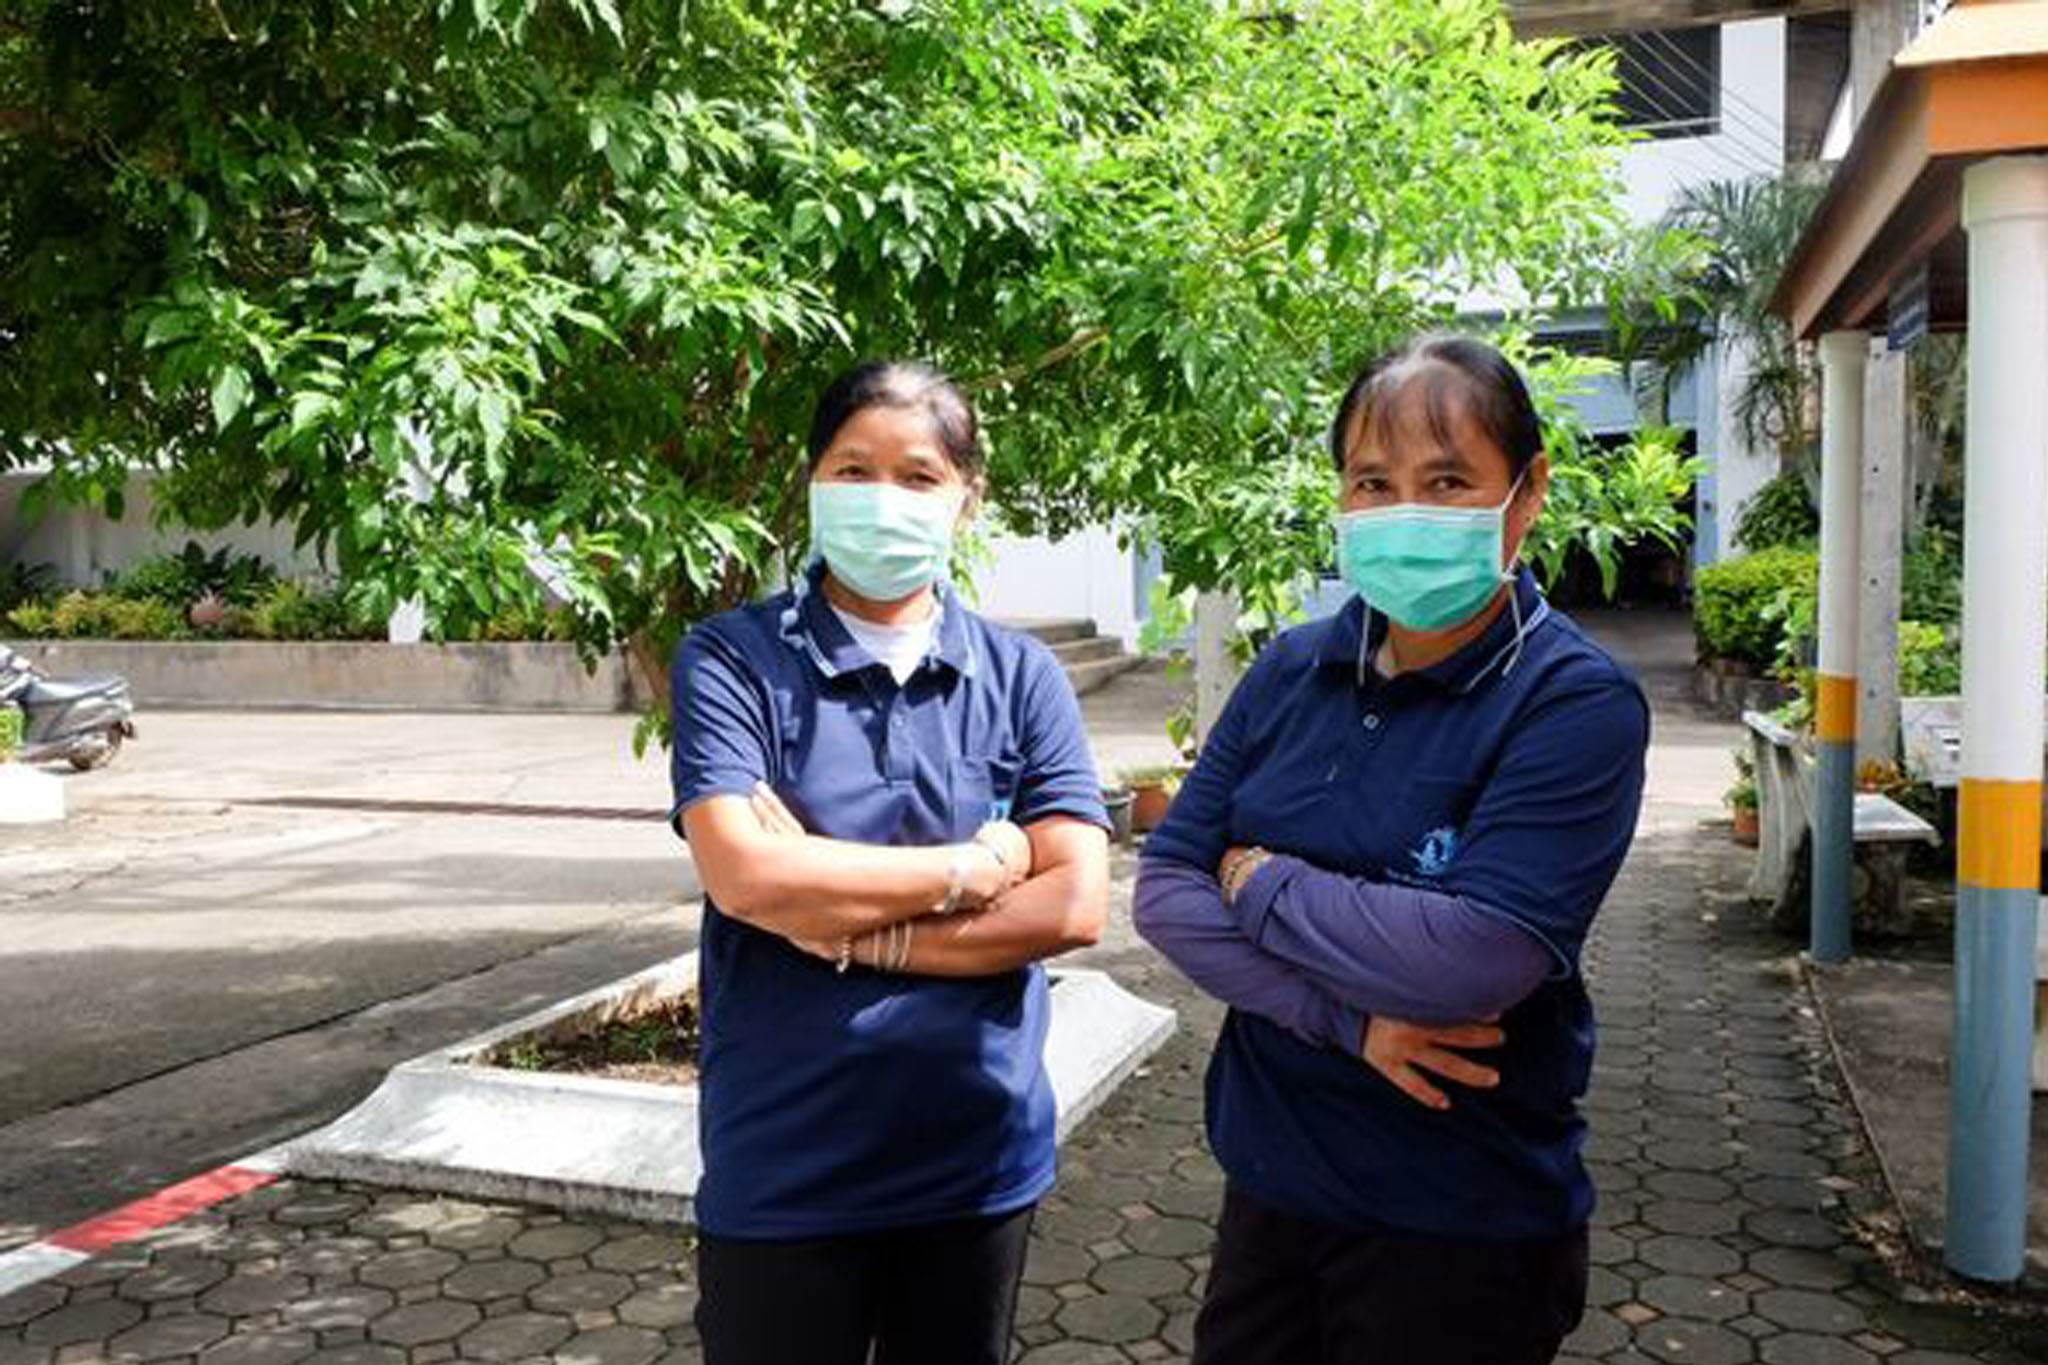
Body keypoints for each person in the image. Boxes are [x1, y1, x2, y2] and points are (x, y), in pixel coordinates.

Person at [1134, 334, 1650, 1365]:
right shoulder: (1290, 669)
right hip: (1272, 1185)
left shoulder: (1571, 701)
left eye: (1447, 480)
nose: (1402, 511)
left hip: (1459, 1221)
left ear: (1527, 491)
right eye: (1372, 482)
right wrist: (1345, 1016)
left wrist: (1259, 877)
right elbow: (1161, 893)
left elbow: (1472, 960)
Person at [668, 359, 1112, 1365]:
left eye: (916, 477)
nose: (881, 500)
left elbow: (1076, 905)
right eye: (851, 469)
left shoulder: (1019, 674)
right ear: (812, 479)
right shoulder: (733, 659)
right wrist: (973, 867)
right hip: (786, 1165)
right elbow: (743, 876)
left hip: (974, 1161)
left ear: (967, 497)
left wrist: (836, 919)